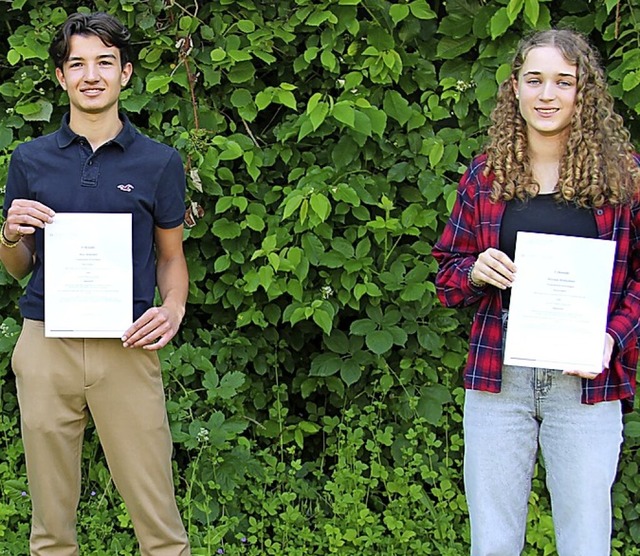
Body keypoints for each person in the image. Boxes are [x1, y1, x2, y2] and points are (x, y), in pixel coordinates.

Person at [432, 29, 640, 556]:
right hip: (499, 383)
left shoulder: (623, 179)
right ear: (516, 90)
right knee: (494, 541)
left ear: (582, 93)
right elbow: (446, 278)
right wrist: (476, 270)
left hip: (586, 384)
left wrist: (613, 338)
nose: (547, 94)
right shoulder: (485, 177)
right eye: (535, 80)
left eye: (563, 82)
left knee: (585, 541)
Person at [0, 12, 191, 556]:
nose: (91, 75)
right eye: (77, 63)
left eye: (104, 62)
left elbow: (171, 258)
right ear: (60, 77)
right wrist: (10, 233)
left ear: (125, 74)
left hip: (127, 346)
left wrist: (173, 308)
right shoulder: (30, 160)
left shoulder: (159, 162)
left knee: (160, 527)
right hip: (45, 347)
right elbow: (18, 264)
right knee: (50, 530)